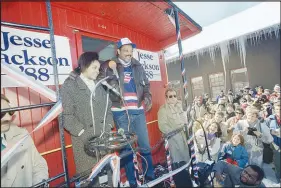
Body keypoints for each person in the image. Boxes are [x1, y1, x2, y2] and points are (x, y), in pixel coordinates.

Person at [106, 38, 155, 186]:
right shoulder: (111, 66)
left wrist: (147, 98)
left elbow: (146, 86)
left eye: (130, 51)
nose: (129, 53)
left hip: (138, 111)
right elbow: (105, 82)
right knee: (127, 150)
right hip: (121, 112)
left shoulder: (138, 65)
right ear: (118, 51)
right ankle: (133, 182)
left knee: (145, 146)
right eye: (125, 50)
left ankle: (151, 178)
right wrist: (109, 65)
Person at [60, 52, 114, 174]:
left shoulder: (100, 85)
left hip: (103, 140)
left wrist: (109, 126)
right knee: (89, 178)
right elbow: (65, 115)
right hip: (84, 142)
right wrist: (81, 132)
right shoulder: (70, 85)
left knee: (107, 176)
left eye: (98, 68)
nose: (97, 71)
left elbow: (108, 108)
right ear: (84, 66)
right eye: (94, 68)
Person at [1, 94, 48, 187]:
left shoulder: (22, 134)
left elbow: (38, 164)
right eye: (1, 113)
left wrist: (40, 184)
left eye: (10, 112)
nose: (8, 118)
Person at [157, 88, 190, 163]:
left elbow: (184, 121)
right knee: (177, 159)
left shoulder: (178, 107)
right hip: (173, 138)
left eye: (175, 96)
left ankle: (186, 172)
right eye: (170, 96)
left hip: (182, 135)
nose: (173, 98)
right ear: (166, 98)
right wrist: (173, 133)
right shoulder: (163, 110)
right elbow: (162, 125)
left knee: (185, 157)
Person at [267, 103, 281, 182]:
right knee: (278, 163)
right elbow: (264, 130)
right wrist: (272, 131)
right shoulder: (270, 118)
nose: (279, 111)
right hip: (275, 145)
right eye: (277, 109)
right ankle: (278, 180)